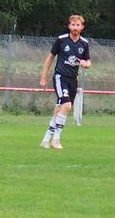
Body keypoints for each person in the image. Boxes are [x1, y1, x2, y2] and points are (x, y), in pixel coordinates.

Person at [39, 14, 91, 149]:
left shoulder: (84, 43)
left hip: (73, 80)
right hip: (60, 77)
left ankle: (46, 139)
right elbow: (50, 58)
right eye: (73, 25)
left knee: (59, 108)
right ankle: (56, 139)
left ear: (82, 27)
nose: (75, 27)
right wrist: (43, 77)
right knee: (66, 105)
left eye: (78, 25)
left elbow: (88, 61)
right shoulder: (61, 40)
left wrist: (85, 64)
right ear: (69, 26)